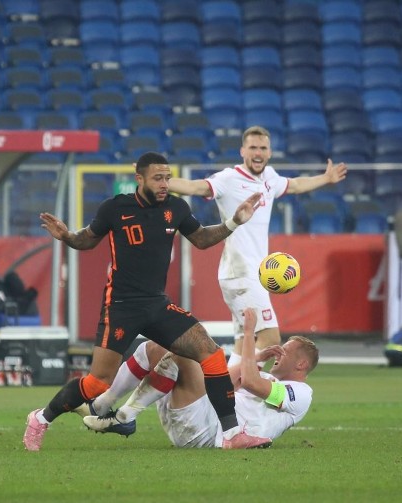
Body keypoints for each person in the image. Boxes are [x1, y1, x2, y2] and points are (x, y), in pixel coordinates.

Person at [23, 152, 271, 451]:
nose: (165, 183)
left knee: (213, 354)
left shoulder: (176, 208)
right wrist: (66, 236)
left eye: (167, 177)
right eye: (158, 178)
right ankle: (41, 418)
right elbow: (87, 240)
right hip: (121, 306)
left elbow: (202, 239)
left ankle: (232, 435)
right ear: (139, 178)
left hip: (157, 304)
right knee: (97, 383)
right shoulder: (115, 208)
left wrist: (234, 222)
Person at [167, 126, 346, 366]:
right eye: (253, 147)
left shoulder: (270, 177)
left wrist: (325, 178)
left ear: (270, 152)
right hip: (241, 273)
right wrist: (161, 181)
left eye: (263, 148)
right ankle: (248, 395)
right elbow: (197, 187)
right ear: (243, 151)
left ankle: (230, 396)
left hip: (252, 274)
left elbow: (294, 185)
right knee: (270, 339)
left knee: (244, 342)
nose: (258, 152)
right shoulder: (229, 178)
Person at [81, 307, 318, 448]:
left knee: (185, 355)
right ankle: (105, 404)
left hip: (208, 430)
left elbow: (249, 382)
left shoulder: (301, 394)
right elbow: (223, 378)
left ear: (302, 364)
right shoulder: (266, 375)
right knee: (156, 348)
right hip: (197, 415)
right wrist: (256, 356)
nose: (279, 352)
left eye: (286, 351)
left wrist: (248, 333)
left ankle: (124, 416)